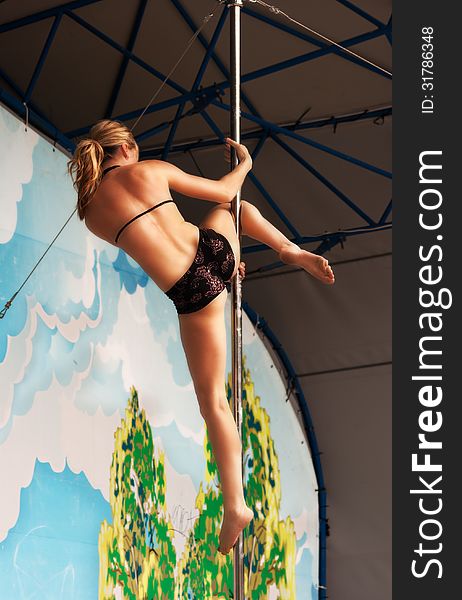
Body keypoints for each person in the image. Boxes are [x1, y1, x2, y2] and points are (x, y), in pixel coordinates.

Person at [68, 119, 335, 555]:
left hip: (192, 289)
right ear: (129, 147)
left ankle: (236, 504)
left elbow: (145, 239)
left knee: (214, 403)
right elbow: (226, 192)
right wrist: (244, 163)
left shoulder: (91, 214)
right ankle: (288, 249)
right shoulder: (151, 170)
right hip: (213, 249)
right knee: (235, 212)